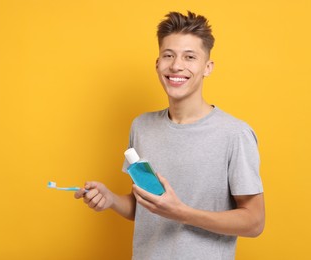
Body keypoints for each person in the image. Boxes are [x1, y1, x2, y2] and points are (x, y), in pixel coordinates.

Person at [75, 11, 265, 260]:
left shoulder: (235, 134)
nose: (176, 65)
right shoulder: (141, 127)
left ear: (207, 67)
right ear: (157, 64)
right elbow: (145, 207)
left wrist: (182, 213)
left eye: (190, 57)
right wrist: (110, 199)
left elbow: (254, 222)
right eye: (168, 55)